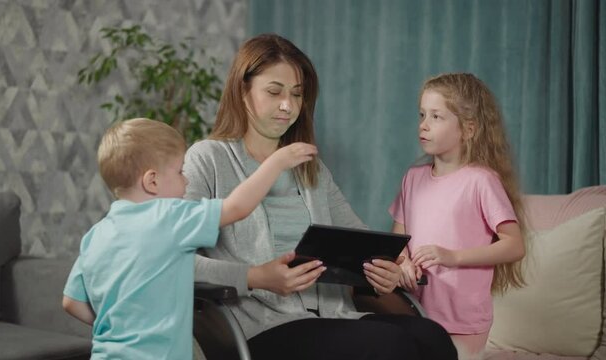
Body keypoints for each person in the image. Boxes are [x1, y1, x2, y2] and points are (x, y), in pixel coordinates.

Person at [183, 33, 457, 360]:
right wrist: (255, 277)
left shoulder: (310, 168)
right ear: (243, 91)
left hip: (332, 318)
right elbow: (176, 262)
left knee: (432, 337)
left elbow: (363, 242)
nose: (288, 105)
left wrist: (384, 271)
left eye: (297, 94)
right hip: (260, 327)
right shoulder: (208, 159)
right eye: (274, 92)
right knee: (388, 344)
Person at [62, 118, 317, 359]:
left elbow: (71, 302)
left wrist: (120, 328)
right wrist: (275, 163)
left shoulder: (96, 235)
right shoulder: (168, 217)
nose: (186, 182)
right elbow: (237, 207)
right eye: (181, 171)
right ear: (152, 181)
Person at [389, 73, 527, 360]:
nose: (423, 125)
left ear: (468, 129)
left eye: (437, 117)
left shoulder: (481, 181)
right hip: (416, 309)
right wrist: (402, 263)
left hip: (463, 318)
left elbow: (514, 245)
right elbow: (398, 238)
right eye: (422, 115)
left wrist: (452, 257)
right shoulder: (412, 178)